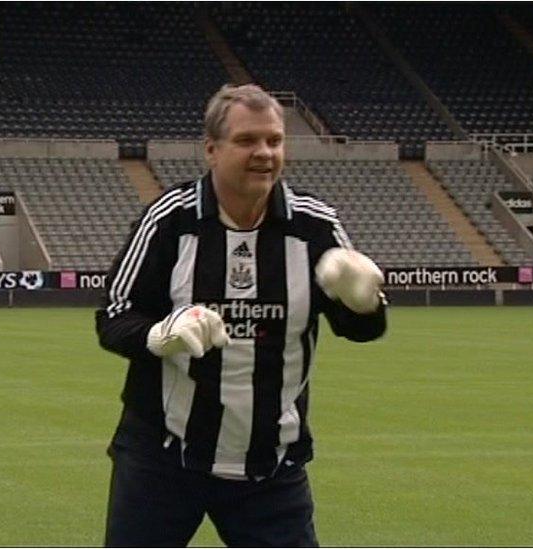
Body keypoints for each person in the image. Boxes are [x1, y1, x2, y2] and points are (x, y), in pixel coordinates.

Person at [95, 83, 387, 547]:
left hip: (270, 464)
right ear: (211, 150)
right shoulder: (169, 220)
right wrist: (161, 334)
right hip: (163, 457)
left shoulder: (315, 226)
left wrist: (365, 303)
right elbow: (113, 317)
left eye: (274, 140)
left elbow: (362, 329)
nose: (264, 153)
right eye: (247, 140)